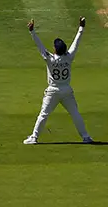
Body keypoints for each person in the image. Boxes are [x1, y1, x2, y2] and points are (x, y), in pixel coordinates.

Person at [25, 16, 92, 144]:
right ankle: (86, 137)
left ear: (55, 49)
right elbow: (76, 43)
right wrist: (81, 27)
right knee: (75, 114)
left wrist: (32, 31)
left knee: (44, 114)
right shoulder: (69, 57)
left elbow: (40, 46)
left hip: (53, 91)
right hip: (67, 90)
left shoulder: (49, 58)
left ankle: (34, 137)